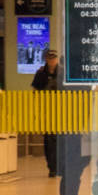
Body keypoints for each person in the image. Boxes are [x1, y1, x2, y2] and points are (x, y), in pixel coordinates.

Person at [31, 47, 62, 178]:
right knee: (49, 140)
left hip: (61, 112)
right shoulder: (41, 73)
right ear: (46, 59)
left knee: (59, 140)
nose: (52, 61)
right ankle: (52, 167)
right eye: (50, 58)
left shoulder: (63, 73)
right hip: (47, 112)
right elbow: (35, 91)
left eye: (54, 58)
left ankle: (59, 166)